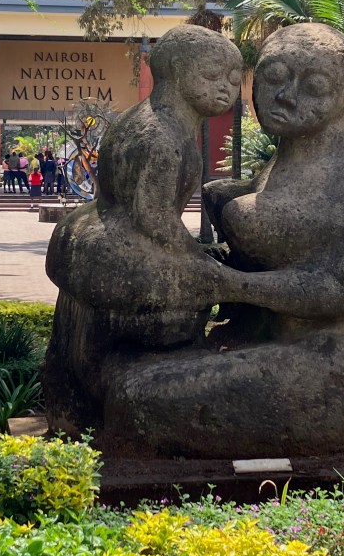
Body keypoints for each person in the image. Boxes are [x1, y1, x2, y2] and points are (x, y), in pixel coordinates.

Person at [99, 23, 344, 458]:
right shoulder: (277, 166)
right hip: (256, 340)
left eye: (314, 86)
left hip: (326, 369)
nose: (285, 96)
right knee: (116, 369)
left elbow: (339, 288)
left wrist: (229, 284)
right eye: (273, 77)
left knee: (135, 395)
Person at [44, 24, 244, 431]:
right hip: (121, 249)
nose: (225, 89)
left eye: (233, 80)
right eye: (211, 76)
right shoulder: (164, 136)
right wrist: (199, 260)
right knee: (213, 285)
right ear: (172, 71)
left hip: (93, 234)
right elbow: (153, 217)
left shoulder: (143, 119)